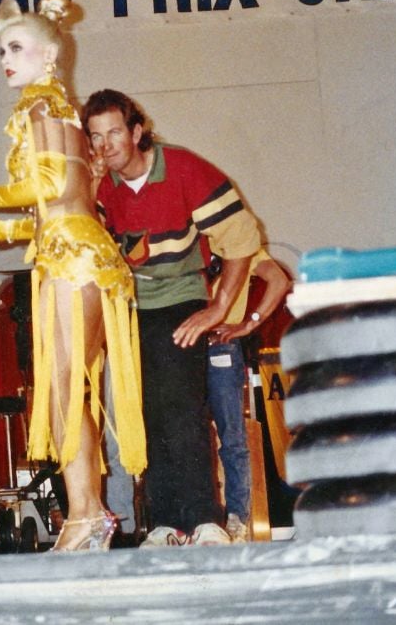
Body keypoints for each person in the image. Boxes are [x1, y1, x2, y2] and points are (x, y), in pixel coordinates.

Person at [0, 0, 146, 552]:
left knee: (63, 389)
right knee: (68, 390)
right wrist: (11, 232)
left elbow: (55, 186)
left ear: (49, 53)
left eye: (16, 48)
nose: (5, 60)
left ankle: (86, 513)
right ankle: (87, 514)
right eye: (1, 51)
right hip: (80, 250)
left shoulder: (38, 106)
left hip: (71, 259)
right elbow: (74, 196)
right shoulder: (60, 106)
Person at [83, 89, 261, 547]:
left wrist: (218, 307)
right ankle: (164, 522)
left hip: (181, 300)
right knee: (147, 415)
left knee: (183, 410)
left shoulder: (181, 168)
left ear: (137, 132)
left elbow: (241, 237)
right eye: (95, 137)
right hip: (130, 308)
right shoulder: (99, 185)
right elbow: (81, 244)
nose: (106, 146)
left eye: (114, 133)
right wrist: (88, 185)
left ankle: (206, 519)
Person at [208, 249, 293, 542]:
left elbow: (279, 281)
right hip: (180, 346)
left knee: (232, 435)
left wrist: (248, 323)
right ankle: (200, 520)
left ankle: (238, 520)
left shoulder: (238, 237)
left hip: (220, 344)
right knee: (187, 438)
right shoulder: (180, 232)